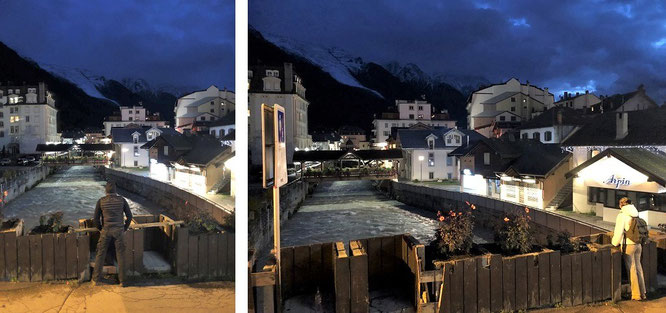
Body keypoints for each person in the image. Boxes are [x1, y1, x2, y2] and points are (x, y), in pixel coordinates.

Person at [92, 182, 133, 286]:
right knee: (121, 255)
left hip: (106, 230)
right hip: (119, 230)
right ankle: (122, 281)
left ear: (106, 191)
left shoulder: (101, 201)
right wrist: (124, 228)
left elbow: (96, 219)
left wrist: (101, 229)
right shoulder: (122, 200)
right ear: (115, 190)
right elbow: (129, 216)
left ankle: (96, 279)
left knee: (100, 254)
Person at [611, 197, 646, 300]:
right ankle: (643, 292)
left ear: (621, 205)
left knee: (632, 269)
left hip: (629, 245)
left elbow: (619, 232)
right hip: (638, 244)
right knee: (639, 268)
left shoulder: (622, 215)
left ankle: (636, 295)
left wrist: (614, 243)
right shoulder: (635, 213)